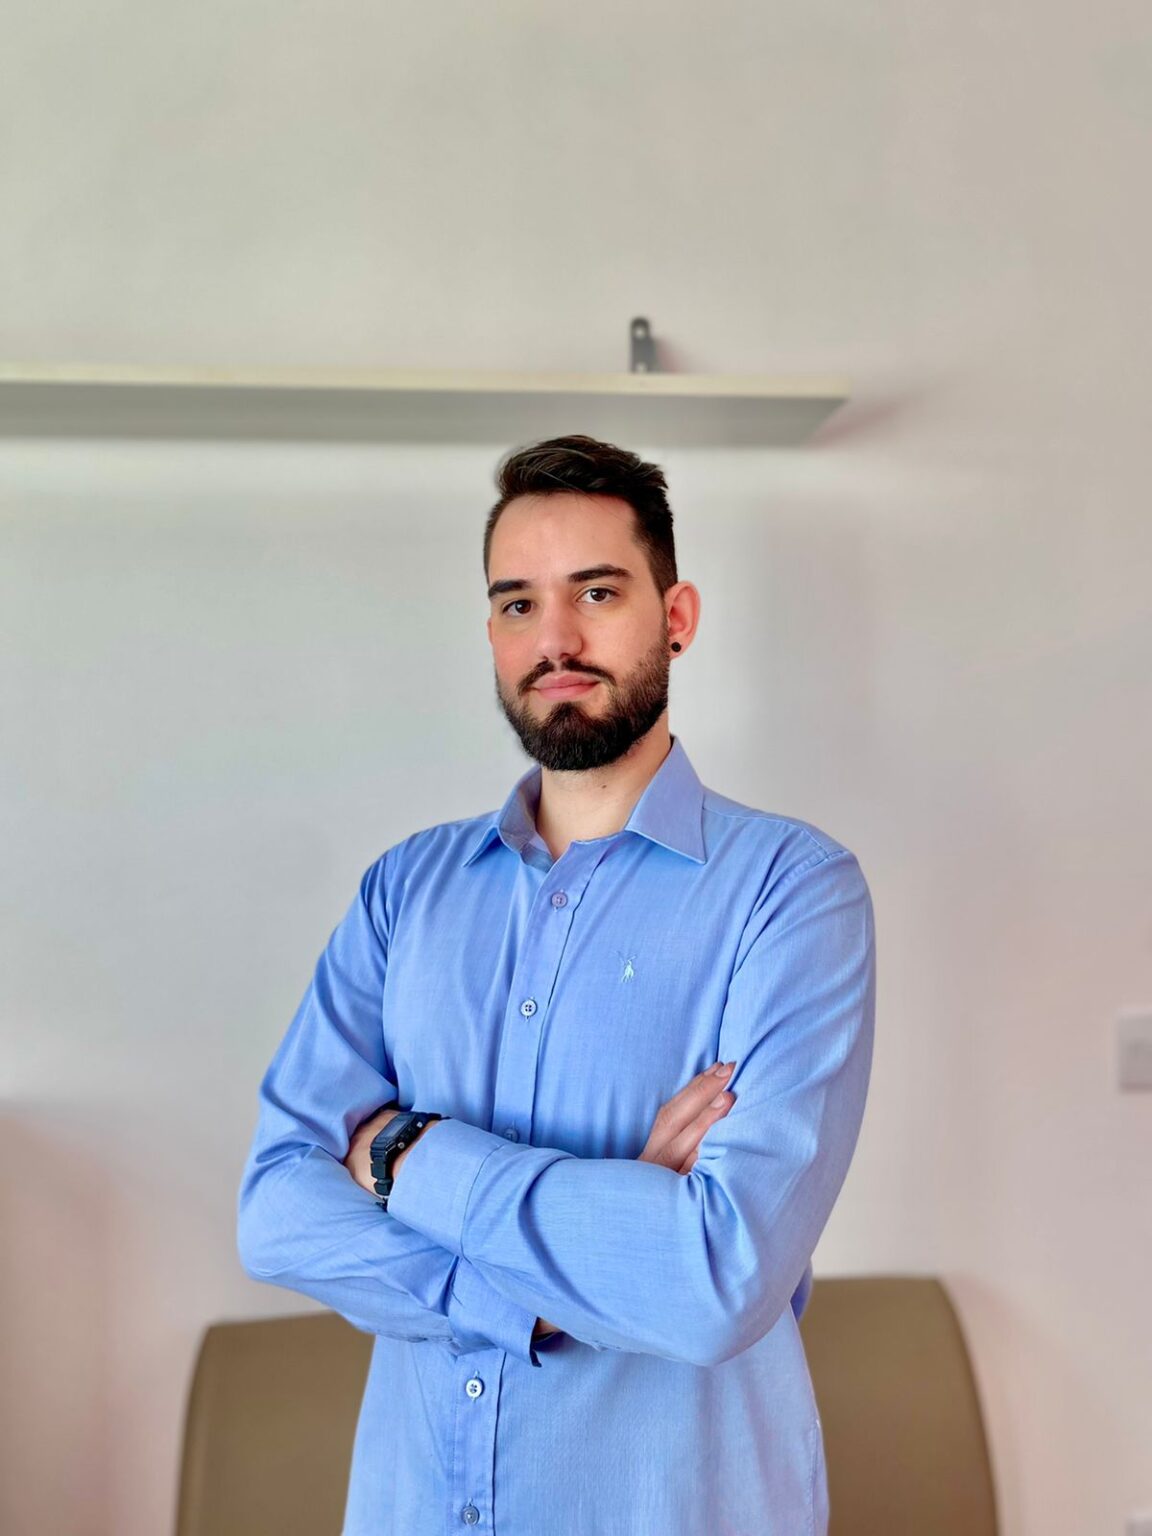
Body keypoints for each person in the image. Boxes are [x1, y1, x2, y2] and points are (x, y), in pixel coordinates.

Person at [237, 433, 876, 1536]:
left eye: (597, 592)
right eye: (519, 604)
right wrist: (561, 1266)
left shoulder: (793, 892)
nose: (556, 640)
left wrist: (402, 1153)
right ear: (491, 631)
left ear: (677, 616)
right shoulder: (404, 892)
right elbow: (277, 1212)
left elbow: (715, 1279)